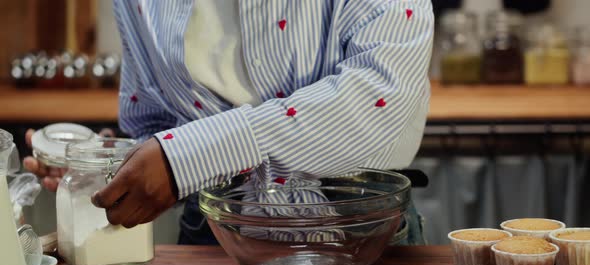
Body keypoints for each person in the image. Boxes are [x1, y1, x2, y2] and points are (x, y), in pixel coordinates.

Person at [26, 0, 434, 245]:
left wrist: (187, 158)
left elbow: (383, 103)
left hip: (359, 236)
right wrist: (115, 166)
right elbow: (164, 122)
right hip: (216, 239)